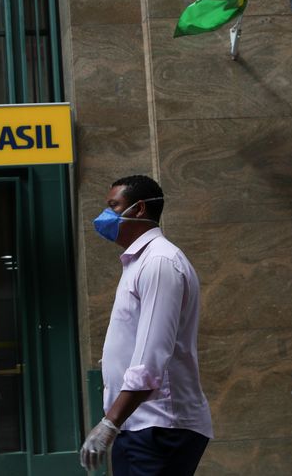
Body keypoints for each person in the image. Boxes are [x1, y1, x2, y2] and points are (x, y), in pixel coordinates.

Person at [80, 175, 213, 475]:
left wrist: (108, 424)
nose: (105, 216)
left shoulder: (160, 263)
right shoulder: (138, 263)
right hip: (138, 424)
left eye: (113, 206)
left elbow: (150, 361)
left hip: (160, 427)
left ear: (139, 209)